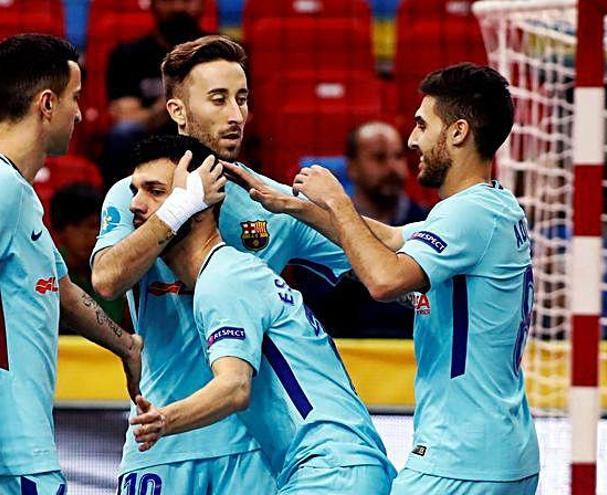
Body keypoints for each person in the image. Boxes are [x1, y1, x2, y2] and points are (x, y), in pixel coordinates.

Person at [228, 62, 541, 494]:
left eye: (421, 124)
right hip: (495, 451)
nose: (413, 140)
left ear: (458, 132)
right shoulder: (490, 208)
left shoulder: (469, 212)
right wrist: (296, 207)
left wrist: (337, 199)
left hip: (462, 461)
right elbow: (392, 238)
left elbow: (383, 278)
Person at [91, 36, 352, 494]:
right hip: (161, 439)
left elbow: (376, 253)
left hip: (253, 449)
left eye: (242, 98)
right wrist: (177, 208)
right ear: (177, 110)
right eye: (219, 99)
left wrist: (443, 237)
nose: (236, 115)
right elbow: (108, 279)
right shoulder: (138, 192)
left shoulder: (268, 201)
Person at [126, 135, 395, 494]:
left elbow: (235, 387)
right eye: (134, 190)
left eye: (156, 191)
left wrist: (163, 419)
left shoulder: (223, 279)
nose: (136, 205)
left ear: (200, 205)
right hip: (336, 467)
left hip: (330, 471)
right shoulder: (233, 272)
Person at [0, 34, 141, 494]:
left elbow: (59, 288)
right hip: (11, 453)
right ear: (46, 104)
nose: (80, 113)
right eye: (74, 98)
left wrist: (128, 347)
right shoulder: (2, 188)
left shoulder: (18, 194)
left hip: (24, 450)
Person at [303, 121, 428, 338]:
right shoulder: (324, 228)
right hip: (346, 355)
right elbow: (318, 304)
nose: (392, 167)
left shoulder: (427, 222)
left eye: (398, 156)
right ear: (352, 167)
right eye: (379, 157)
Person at [101, 0, 206, 185]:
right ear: (154, 5)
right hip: (149, 139)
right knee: (123, 133)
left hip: (203, 134)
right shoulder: (128, 55)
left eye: (188, 0)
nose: (178, 7)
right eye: (170, 1)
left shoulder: (221, 53)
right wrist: (180, 94)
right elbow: (128, 119)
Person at [51, 183, 129, 331]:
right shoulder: (48, 271)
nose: (92, 235)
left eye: (96, 226)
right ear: (60, 231)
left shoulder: (116, 268)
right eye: (83, 226)